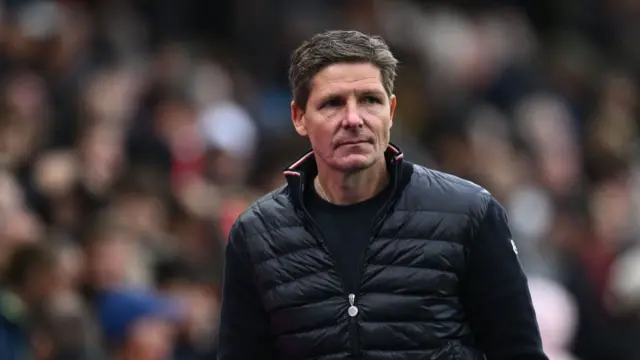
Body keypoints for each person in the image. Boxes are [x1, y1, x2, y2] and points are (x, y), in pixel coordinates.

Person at [217, 30, 548, 360]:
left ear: (390, 110)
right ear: (299, 117)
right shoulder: (256, 234)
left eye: (369, 100)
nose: (353, 119)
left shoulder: (470, 212)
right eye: (333, 103)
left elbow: (519, 351)